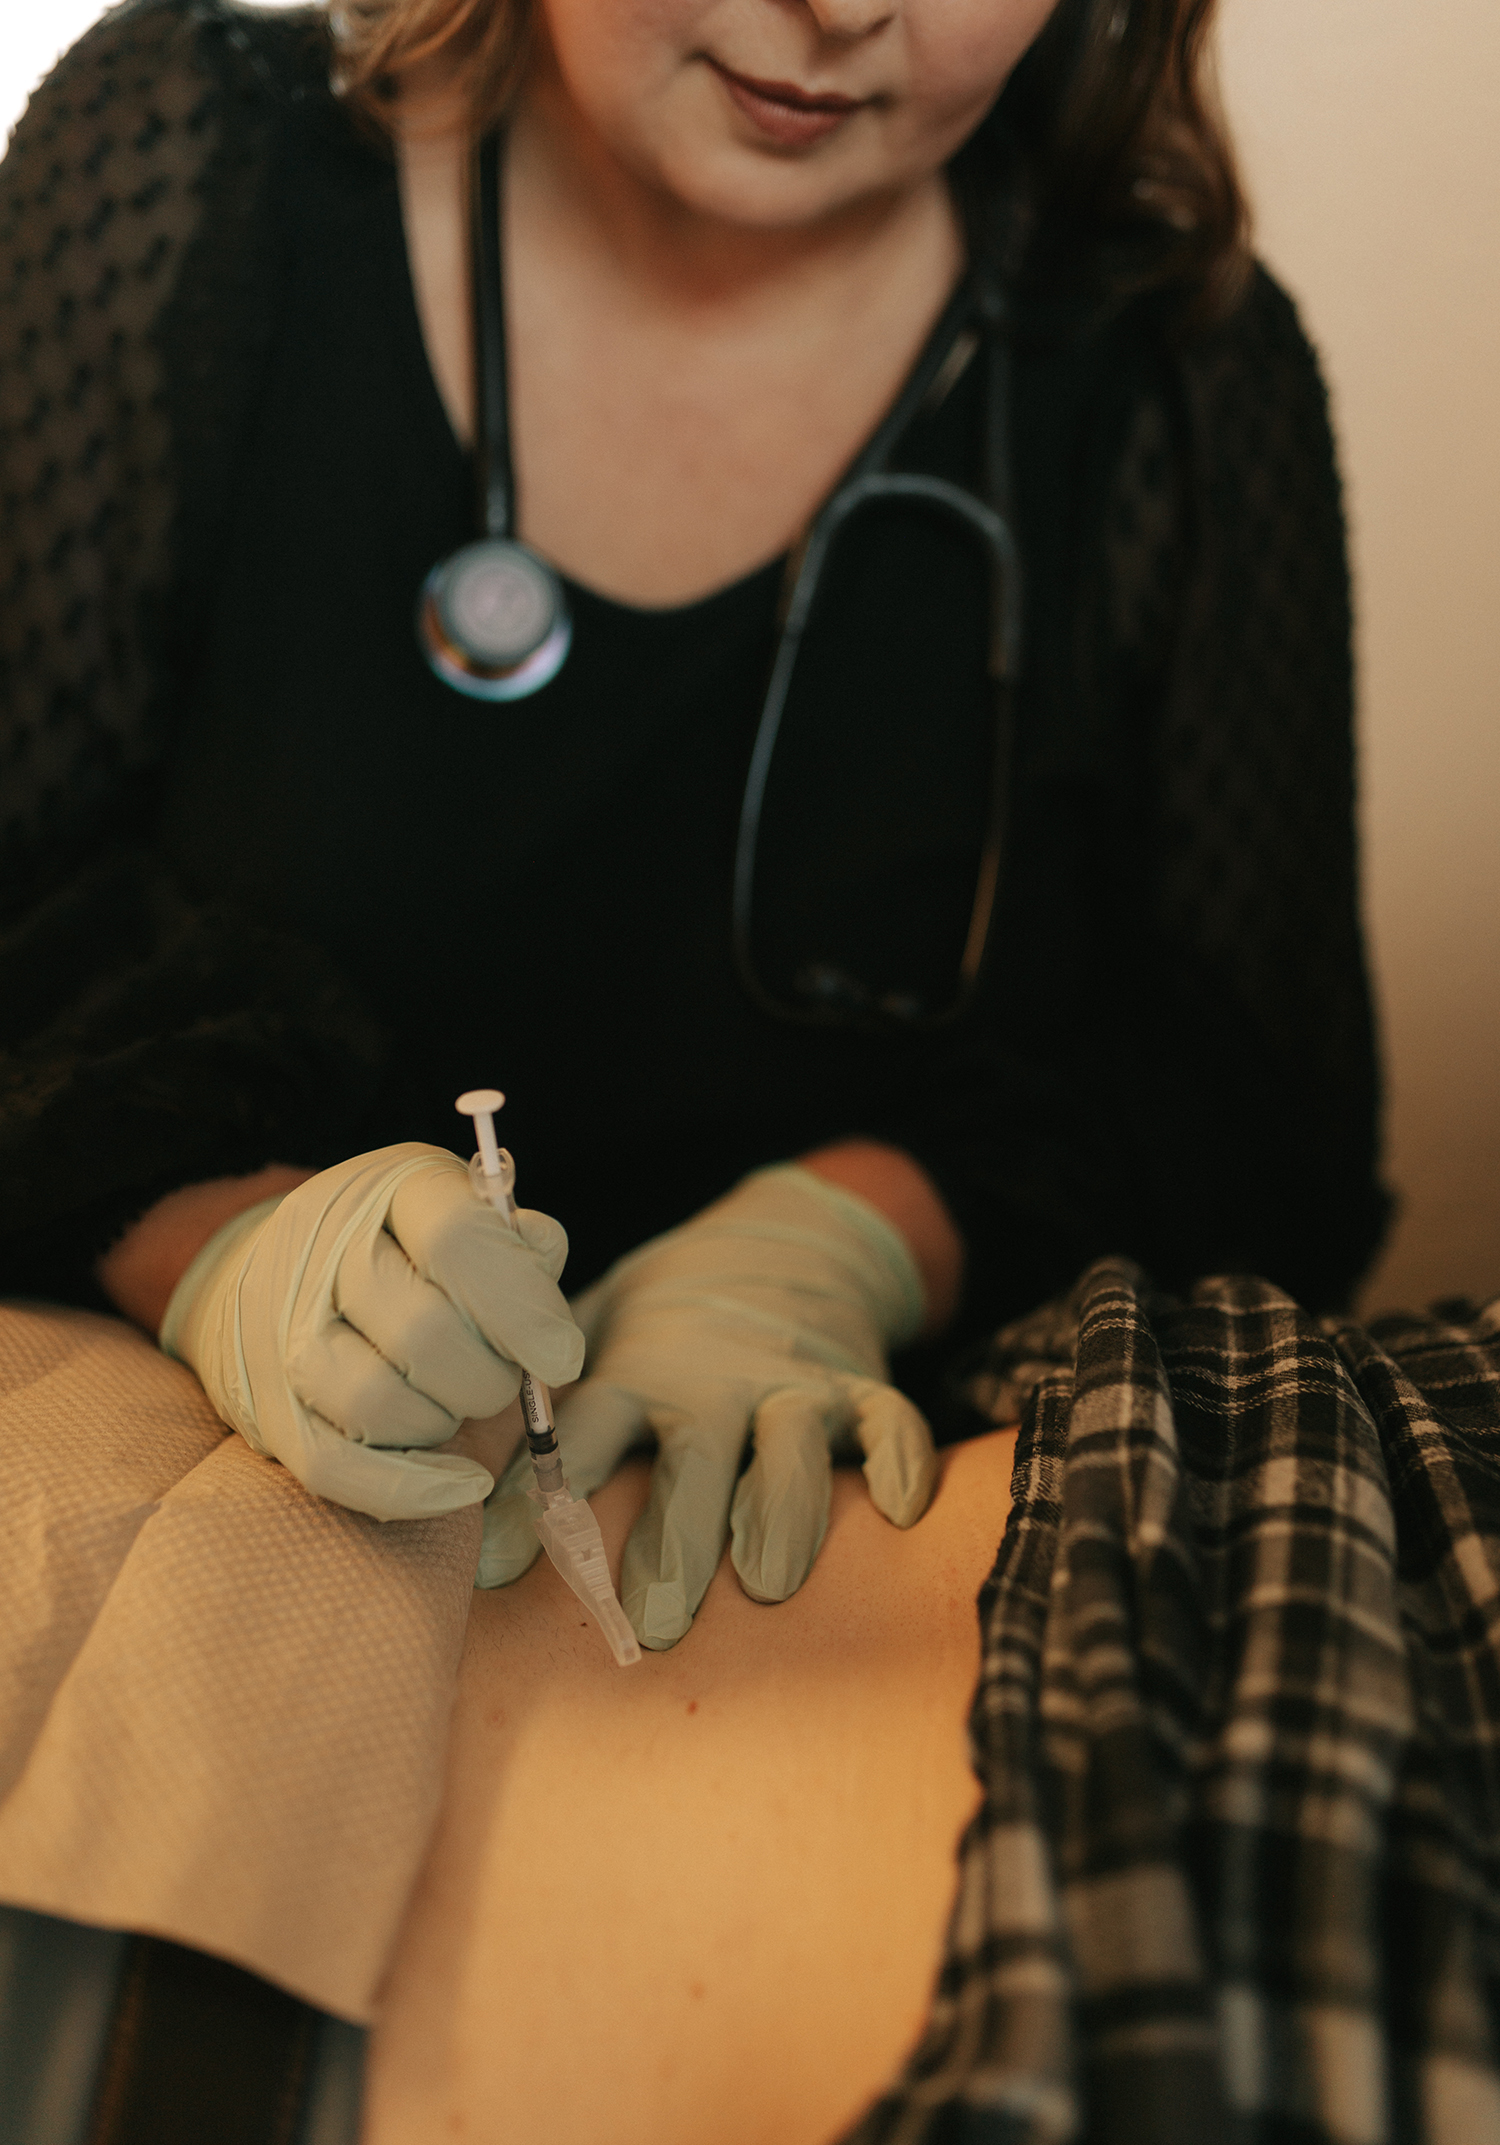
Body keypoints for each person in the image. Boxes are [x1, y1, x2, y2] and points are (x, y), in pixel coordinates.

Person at [0, 0, 1388, 1655]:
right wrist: (213, 1237)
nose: (843, 9)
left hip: (792, 1623)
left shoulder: (1182, 376)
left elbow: (1262, 1127)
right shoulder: (186, 166)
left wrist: (862, 1234)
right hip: (190, 1554)